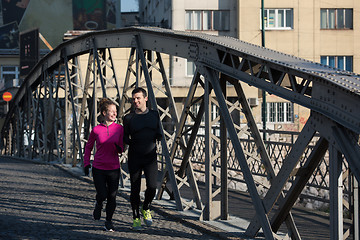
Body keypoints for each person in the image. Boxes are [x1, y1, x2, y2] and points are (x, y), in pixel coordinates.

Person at [123, 87, 162, 230]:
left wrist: (159, 137)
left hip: (150, 157)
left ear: (146, 99)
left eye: (138, 98)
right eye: (133, 98)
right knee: (135, 189)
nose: (135, 101)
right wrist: (129, 142)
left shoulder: (154, 114)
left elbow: (159, 132)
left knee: (152, 186)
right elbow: (125, 136)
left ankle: (146, 207)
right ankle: (135, 218)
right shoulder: (128, 118)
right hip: (134, 156)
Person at [83, 98, 124, 232]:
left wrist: (119, 148)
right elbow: (88, 147)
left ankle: (108, 222)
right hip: (99, 168)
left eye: (115, 111)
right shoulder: (96, 130)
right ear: (103, 113)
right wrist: (86, 163)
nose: (114, 114)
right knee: (102, 194)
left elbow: (122, 148)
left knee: (112, 196)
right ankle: (98, 203)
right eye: (111, 112)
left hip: (114, 168)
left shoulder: (119, 129)